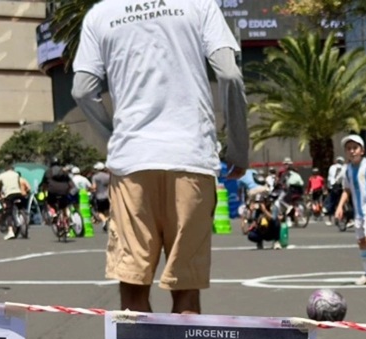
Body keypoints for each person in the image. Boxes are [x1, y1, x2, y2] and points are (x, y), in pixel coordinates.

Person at [71, 0, 248, 314]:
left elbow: (82, 90)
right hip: (190, 157)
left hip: (132, 162)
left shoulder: (100, 14)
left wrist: (117, 137)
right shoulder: (199, 5)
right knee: (186, 293)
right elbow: (230, 75)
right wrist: (237, 149)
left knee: (133, 293)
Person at [335, 134, 366, 287]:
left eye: (355, 148)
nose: (352, 151)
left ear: (362, 150)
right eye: (349, 149)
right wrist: (339, 206)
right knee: (361, 242)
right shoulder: (348, 169)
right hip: (358, 211)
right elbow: (347, 190)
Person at [0, 157, 31, 240]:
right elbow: (18, 185)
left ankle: (10, 230)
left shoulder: (1, 175)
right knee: (20, 207)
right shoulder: (16, 174)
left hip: (9, 195)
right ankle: (23, 217)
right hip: (18, 194)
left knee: (9, 212)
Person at [40, 157, 75, 223]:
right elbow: (70, 183)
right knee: (64, 206)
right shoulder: (64, 171)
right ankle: (67, 220)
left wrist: (43, 190)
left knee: (50, 203)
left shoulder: (48, 172)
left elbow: (44, 183)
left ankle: (54, 214)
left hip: (53, 191)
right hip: (64, 191)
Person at [90, 162, 111, 231]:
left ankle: (104, 220)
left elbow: (94, 187)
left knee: (99, 211)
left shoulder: (95, 177)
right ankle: (107, 220)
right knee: (107, 210)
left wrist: (90, 189)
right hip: (108, 196)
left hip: (99, 196)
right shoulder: (108, 176)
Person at [325, 156, 345, 225]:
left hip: (333, 187)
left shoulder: (332, 167)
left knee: (332, 202)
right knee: (341, 202)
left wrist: (329, 186)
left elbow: (329, 177)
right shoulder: (344, 168)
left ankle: (330, 219)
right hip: (341, 187)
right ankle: (342, 217)